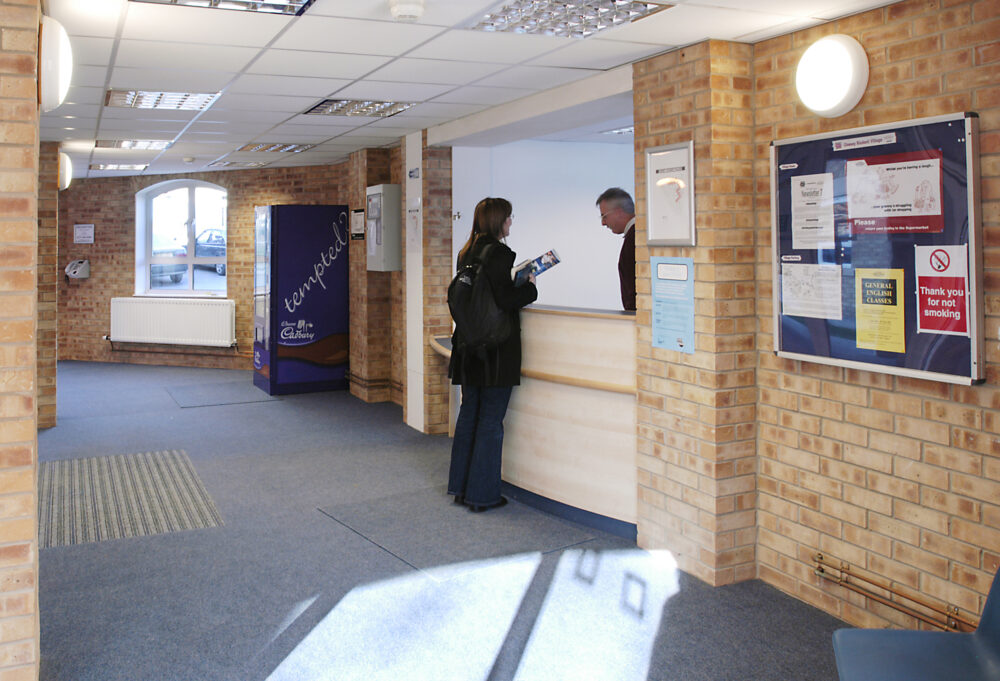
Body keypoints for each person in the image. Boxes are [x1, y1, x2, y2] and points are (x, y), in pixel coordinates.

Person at [448, 197, 537, 512]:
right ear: (499, 221)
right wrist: (529, 287)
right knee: (490, 421)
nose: (511, 223)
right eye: (509, 218)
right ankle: (483, 495)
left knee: (470, 414)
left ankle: (461, 487)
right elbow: (505, 299)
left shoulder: (466, 252)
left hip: (468, 347)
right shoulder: (500, 253)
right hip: (496, 351)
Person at [596, 187, 636, 311]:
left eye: (604, 216)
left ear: (618, 212)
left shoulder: (633, 240)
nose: (603, 223)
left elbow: (634, 292)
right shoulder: (641, 234)